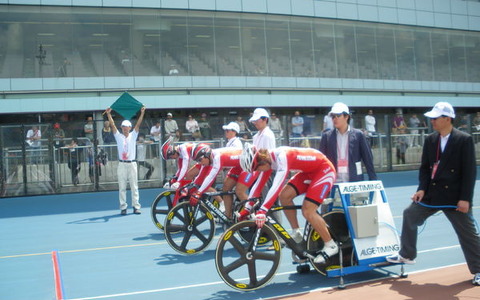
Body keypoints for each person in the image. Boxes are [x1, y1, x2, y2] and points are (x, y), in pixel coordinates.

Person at [386, 102, 480, 286]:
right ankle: (407, 254)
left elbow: (469, 172)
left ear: (447, 118)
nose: (432, 121)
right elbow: (425, 169)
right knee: (410, 213)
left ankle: (479, 270)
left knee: (468, 234)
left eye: (436, 118)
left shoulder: (464, 139)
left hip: (455, 197)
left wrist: (465, 199)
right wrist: (421, 188)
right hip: (432, 194)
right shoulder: (430, 140)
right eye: (432, 118)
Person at [239, 143, 338, 264]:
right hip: (309, 171)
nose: (257, 171)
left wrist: (262, 210)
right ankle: (296, 231)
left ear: (262, 161)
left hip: (324, 170)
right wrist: (247, 208)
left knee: (308, 210)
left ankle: (331, 245)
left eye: (257, 169)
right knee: (284, 196)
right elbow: (258, 185)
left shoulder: (281, 157)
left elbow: (276, 186)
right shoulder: (268, 161)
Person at [319, 102, 377, 183]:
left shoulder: (359, 135)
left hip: (355, 183)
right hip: (334, 184)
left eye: (338, 116)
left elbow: (368, 159)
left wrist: (373, 180)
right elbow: (321, 162)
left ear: (346, 116)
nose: (334, 119)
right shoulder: (326, 137)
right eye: (333, 116)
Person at [105, 106, 145, 215]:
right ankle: (123, 207)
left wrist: (142, 113)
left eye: (126, 127)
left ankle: (136, 206)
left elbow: (138, 124)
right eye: (123, 127)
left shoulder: (133, 135)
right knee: (122, 187)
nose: (125, 128)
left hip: (132, 163)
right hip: (122, 164)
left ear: (130, 127)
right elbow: (112, 125)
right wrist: (109, 114)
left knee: (134, 186)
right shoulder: (118, 136)